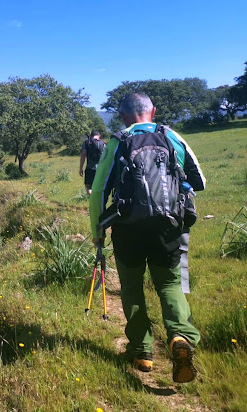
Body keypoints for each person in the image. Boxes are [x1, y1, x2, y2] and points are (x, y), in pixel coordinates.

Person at [89, 93, 205, 383]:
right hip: (168, 227)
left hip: (128, 228)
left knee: (131, 286)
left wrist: (97, 232)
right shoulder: (171, 136)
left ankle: (142, 352)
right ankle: (180, 337)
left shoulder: (117, 142)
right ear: (152, 111)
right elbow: (199, 181)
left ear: (123, 116)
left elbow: (99, 191)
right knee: (169, 283)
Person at [79, 130, 105, 195]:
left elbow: (83, 155)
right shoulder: (103, 143)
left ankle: (92, 198)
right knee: (99, 188)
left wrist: (81, 168)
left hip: (90, 168)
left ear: (91, 136)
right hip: (100, 169)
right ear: (99, 136)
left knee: (88, 187)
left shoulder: (86, 142)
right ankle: (98, 199)